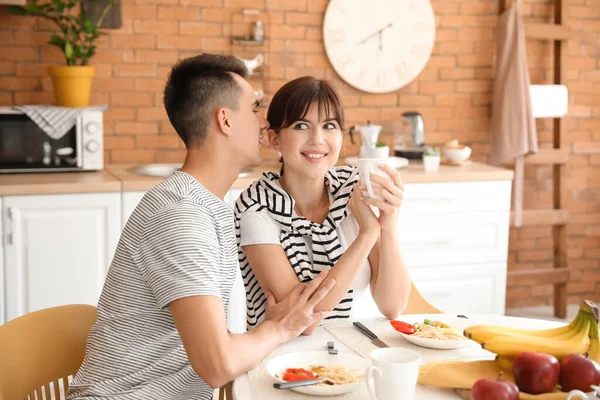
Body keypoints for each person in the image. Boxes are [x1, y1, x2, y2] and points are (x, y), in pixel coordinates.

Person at [66, 55, 336, 400]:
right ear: (224, 120)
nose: (264, 123)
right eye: (254, 109)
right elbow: (217, 364)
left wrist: (272, 330)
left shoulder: (208, 206)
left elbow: (215, 352)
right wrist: (280, 327)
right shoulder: (181, 216)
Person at [234, 76, 412, 335]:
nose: (317, 139)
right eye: (301, 126)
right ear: (274, 139)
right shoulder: (257, 209)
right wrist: (368, 234)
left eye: (329, 126)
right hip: (282, 359)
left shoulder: (354, 189)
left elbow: (392, 306)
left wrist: (389, 223)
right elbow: (303, 322)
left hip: (350, 353)